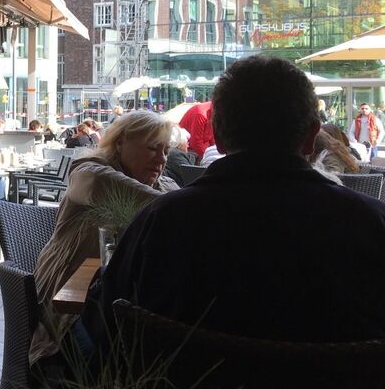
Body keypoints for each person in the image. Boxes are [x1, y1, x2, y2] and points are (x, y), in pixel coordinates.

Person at [84, 56, 385, 356]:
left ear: (218, 137)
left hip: (186, 388)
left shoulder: (160, 223)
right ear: (311, 137)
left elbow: (103, 327)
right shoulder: (372, 225)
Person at [30, 111, 177, 366]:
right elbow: (168, 209)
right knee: (116, 355)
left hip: (125, 295)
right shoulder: (89, 173)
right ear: (120, 143)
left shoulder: (165, 187)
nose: (161, 159)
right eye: (153, 148)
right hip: (71, 297)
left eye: (166, 151)